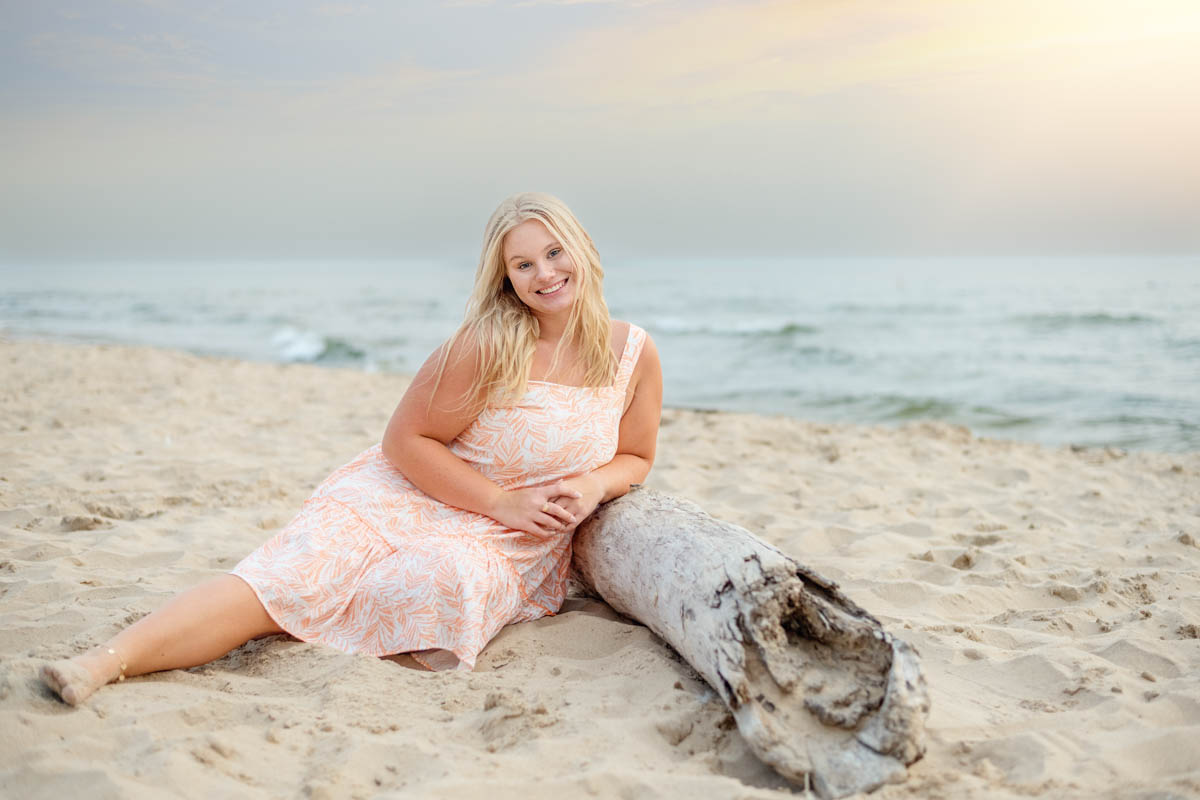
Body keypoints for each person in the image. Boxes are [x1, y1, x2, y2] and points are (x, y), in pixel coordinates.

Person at [40, 191, 663, 705]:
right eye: (523, 264)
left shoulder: (633, 352)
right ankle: (103, 663)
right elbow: (406, 439)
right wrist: (500, 499)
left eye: (554, 253)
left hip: (503, 540)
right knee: (289, 577)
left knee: (446, 581)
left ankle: (312, 623)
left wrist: (592, 484)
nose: (545, 273)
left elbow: (635, 457)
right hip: (407, 494)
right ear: (505, 278)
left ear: (582, 249)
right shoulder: (487, 344)